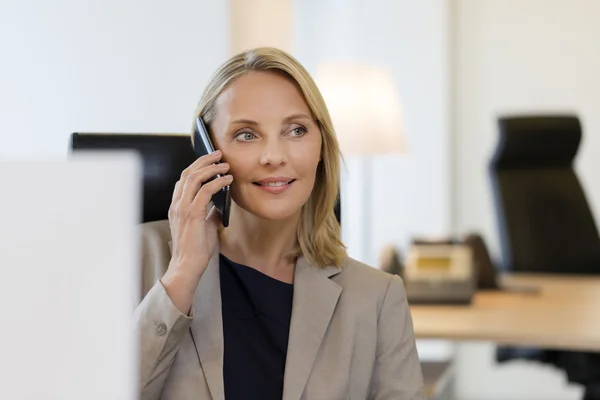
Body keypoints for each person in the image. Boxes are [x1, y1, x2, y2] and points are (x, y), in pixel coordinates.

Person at [133, 47, 425, 400]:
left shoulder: (377, 299)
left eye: (296, 130)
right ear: (206, 150)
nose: (274, 156)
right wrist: (181, 275)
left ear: (321, 147)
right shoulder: (133, 257)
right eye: (246, 134)